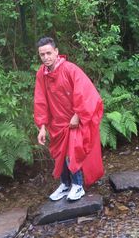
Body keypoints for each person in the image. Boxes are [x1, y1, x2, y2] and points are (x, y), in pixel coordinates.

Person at [34, 37, 104, 202]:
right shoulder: (41, 74)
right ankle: (65, 184)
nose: (46, 57)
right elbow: (40, 99)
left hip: (74, 121)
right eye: (42, 54)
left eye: (49, 53)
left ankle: (78, 186)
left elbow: (86, 93)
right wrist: (42, 126)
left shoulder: (70, 69)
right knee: (61, 154)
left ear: (56, 52)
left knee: (73, 153)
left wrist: (78, 115)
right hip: (57, 123)